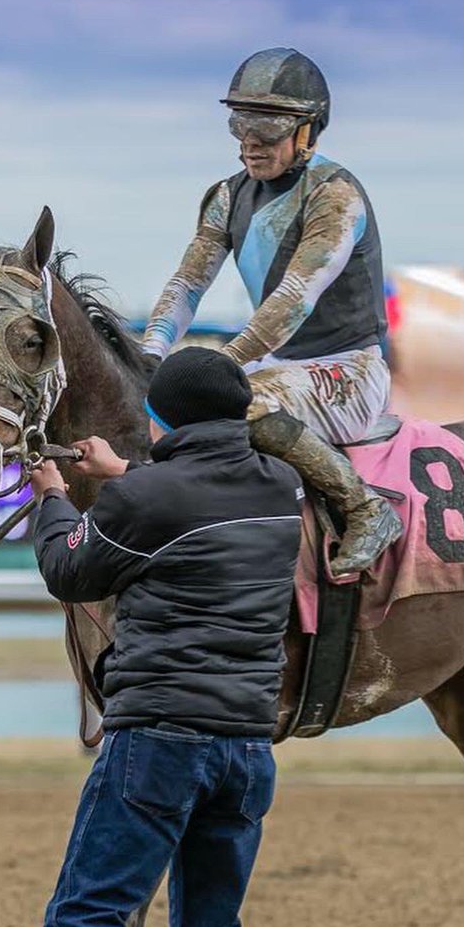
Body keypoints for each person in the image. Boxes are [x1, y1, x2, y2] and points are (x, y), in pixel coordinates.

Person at [29, 347, 303, 927]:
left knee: (83, 922)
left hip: (156, 745)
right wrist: (121, 476)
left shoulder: (148, 496)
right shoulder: (281, 487)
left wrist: (55, 495)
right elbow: (185, 498)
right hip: (247, 752)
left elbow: (66, 570)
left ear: (160, 416)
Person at [139, 47, 402, 577]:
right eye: (240, 126)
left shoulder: (335, 195)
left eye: (267, 130)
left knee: (244, 400)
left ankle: (365, 507)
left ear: (308, 131)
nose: (250, 145)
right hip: (280, 365)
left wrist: (224, 365)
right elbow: (189, 282)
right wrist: (149, 351)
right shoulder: (226, 196)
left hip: (347, 369)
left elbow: (294, 299)